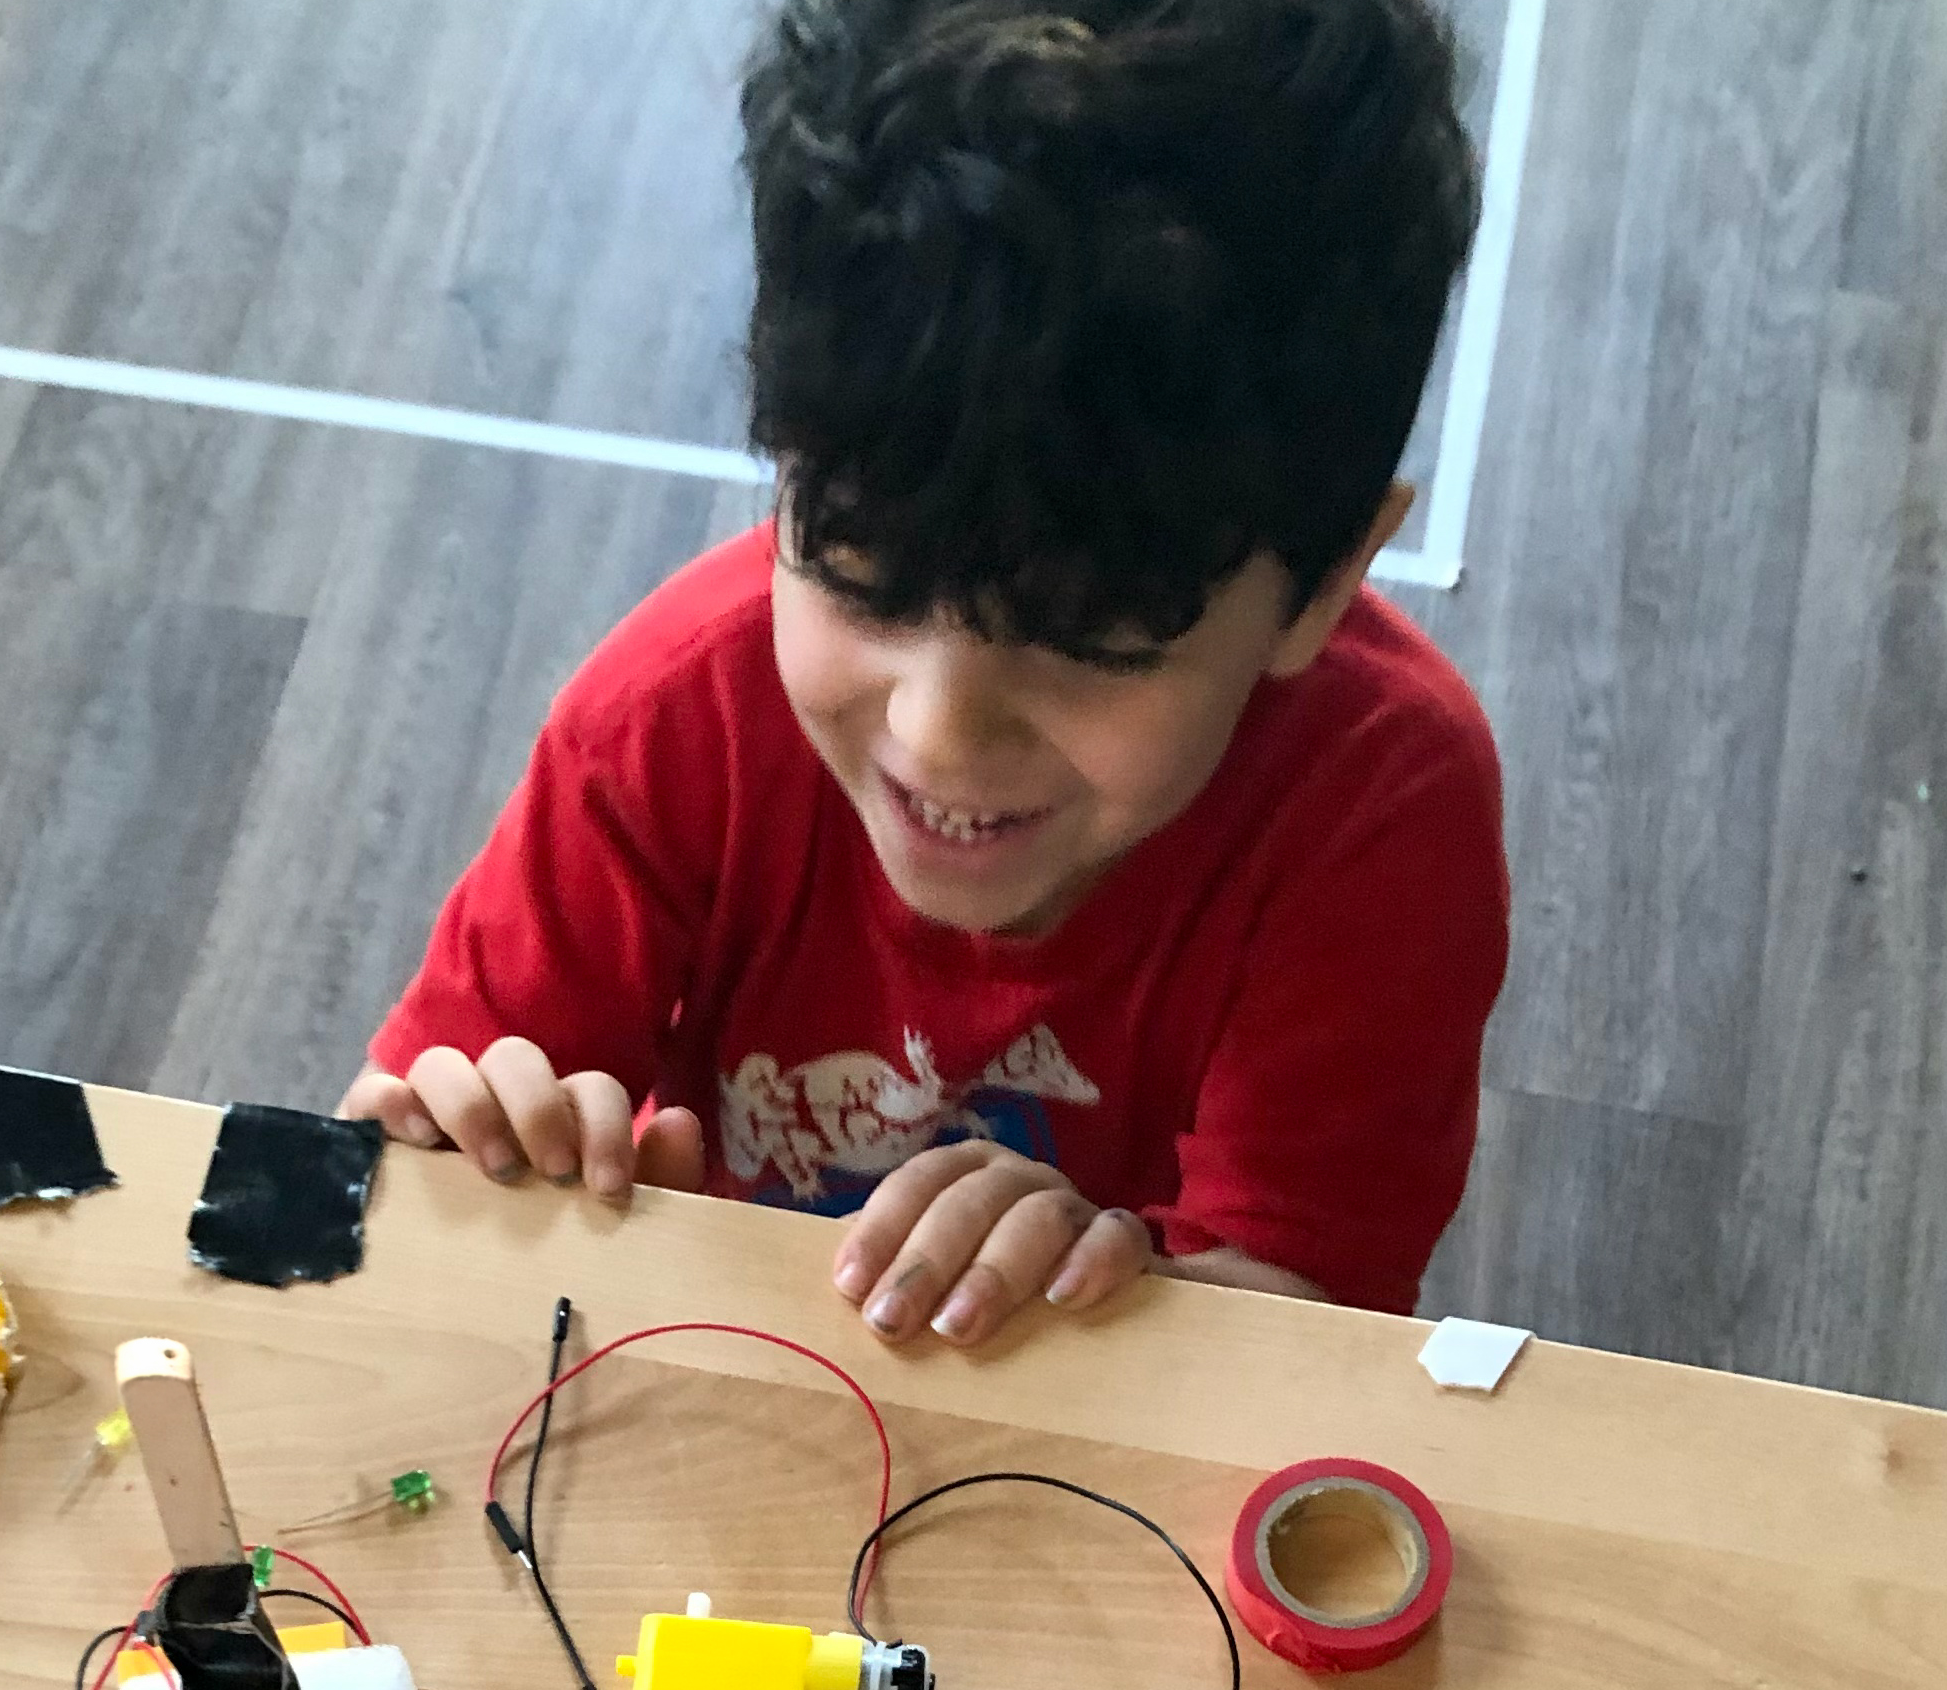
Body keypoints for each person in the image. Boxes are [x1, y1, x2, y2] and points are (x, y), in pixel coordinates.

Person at [345, 0, 1502, 1347]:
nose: (939, 732)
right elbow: (395, 1153)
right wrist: (456, 1159)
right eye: (860, 572)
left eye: (1089, 638)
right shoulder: (668, 718)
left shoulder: (1380, 812)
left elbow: (1311, 1338)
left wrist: (1112, 1297)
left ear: (1330, 578)